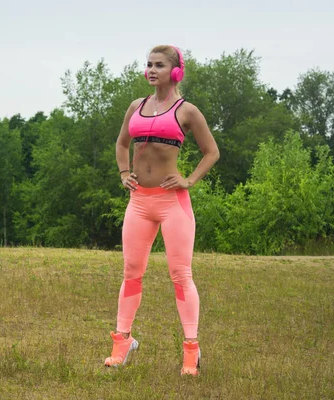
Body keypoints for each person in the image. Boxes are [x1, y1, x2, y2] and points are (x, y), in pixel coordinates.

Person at [104, 45, 220, 376]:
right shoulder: (136, 107)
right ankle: (122, 342)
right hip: (139, 202)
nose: (151, 70)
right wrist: (124, 173)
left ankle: (191, 352)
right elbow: (122, 143)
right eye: (148, 64)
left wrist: (189, 180)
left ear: (175, 71)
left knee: (181, 275)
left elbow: (211, 152)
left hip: (173, 205)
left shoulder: (187, 111)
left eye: (159, 65)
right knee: (131, 272)